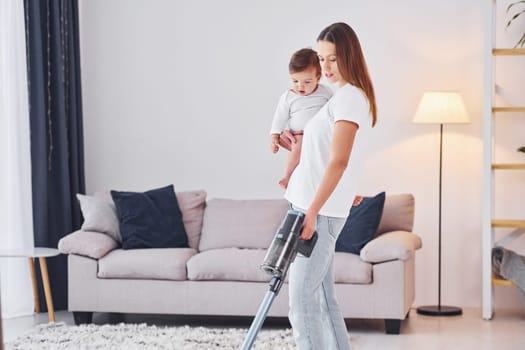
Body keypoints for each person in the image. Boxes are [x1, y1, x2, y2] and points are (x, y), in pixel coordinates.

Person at [283, 22, 377, 350]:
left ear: (349, 55)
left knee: (301, 300)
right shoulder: (344, 97)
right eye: (321, 58)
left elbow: (340, 160)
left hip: (316, 213)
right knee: (322, 298)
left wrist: (312, 211)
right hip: (316, 208)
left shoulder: (350, 98)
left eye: (332, 58)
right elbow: (328, 155)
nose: (325, 67)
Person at [269, 48, 332, 189]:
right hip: (299, 135)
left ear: (318, 77)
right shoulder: (288, 97)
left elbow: (334, 111)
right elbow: (279, 117)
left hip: (321, 135)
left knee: (332, 157)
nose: (300, 86)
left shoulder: (325, 92)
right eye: (295, 81)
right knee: (297, 149)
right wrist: (274, 137)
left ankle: (343, 188)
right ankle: (288, 176)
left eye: (307, 82)